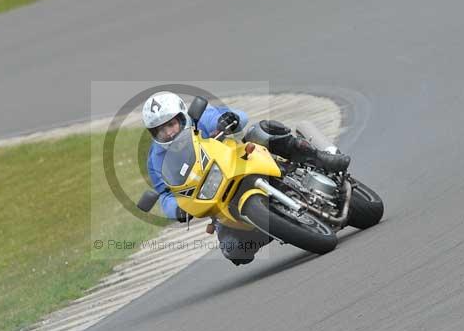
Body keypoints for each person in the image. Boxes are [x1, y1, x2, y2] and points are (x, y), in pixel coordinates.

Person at [142, 91, 350, 265]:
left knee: (263, 131)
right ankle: (274, 227)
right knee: (234, 251)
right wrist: (176, 208)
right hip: (217, 196)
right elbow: (165, 194)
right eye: (160, 130)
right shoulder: (156, 159)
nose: (168, 133)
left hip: (240, 160)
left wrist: (229, 120)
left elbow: (237, 116)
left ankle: (320, 158)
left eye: (170, 125)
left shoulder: (199, 118)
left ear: (181, 117)